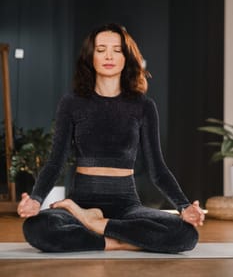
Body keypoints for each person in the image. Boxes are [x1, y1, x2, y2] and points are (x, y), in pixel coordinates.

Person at [18, 23, 205, 253]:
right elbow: (56, 162)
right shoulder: (72, 102)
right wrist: (36, 199)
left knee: (186, 235)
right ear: (91, 57)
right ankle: (116, 239)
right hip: (80, 203)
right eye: (101, 49)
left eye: (117, 50)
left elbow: (158, 169)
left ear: (126, 57)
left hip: (127, 205)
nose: (109, 56)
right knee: (37, 228)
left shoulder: (143, 106)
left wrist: (184, 207)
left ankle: (96, 225)